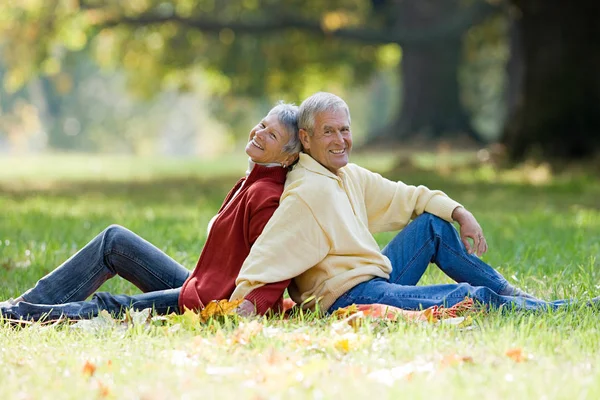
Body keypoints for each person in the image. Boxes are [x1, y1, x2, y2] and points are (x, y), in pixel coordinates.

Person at [232, 92, 576, 315]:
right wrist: (243, 304)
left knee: (433, 225)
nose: (341, 140)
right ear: (305, 139)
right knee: (469, 296)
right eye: (328, 132)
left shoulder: (346, 175)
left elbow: (410, 196)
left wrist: (460, 213)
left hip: (375, 277)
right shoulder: (307, 192)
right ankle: (557, 310)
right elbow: (268, 254)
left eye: (345, 130)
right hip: (348, 298)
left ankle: (514, 294)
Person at [0, 102, 301, 321]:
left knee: (118, 306)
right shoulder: (251, 181)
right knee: (114, 240)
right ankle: (30, 302)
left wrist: (255, 307)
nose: (259, 133)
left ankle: (20, 315)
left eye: (272, 135)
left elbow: (275, 264)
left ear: (288, 156)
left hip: (213, 303)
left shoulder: (267, 197)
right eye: (262, 124)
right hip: (198, 285)